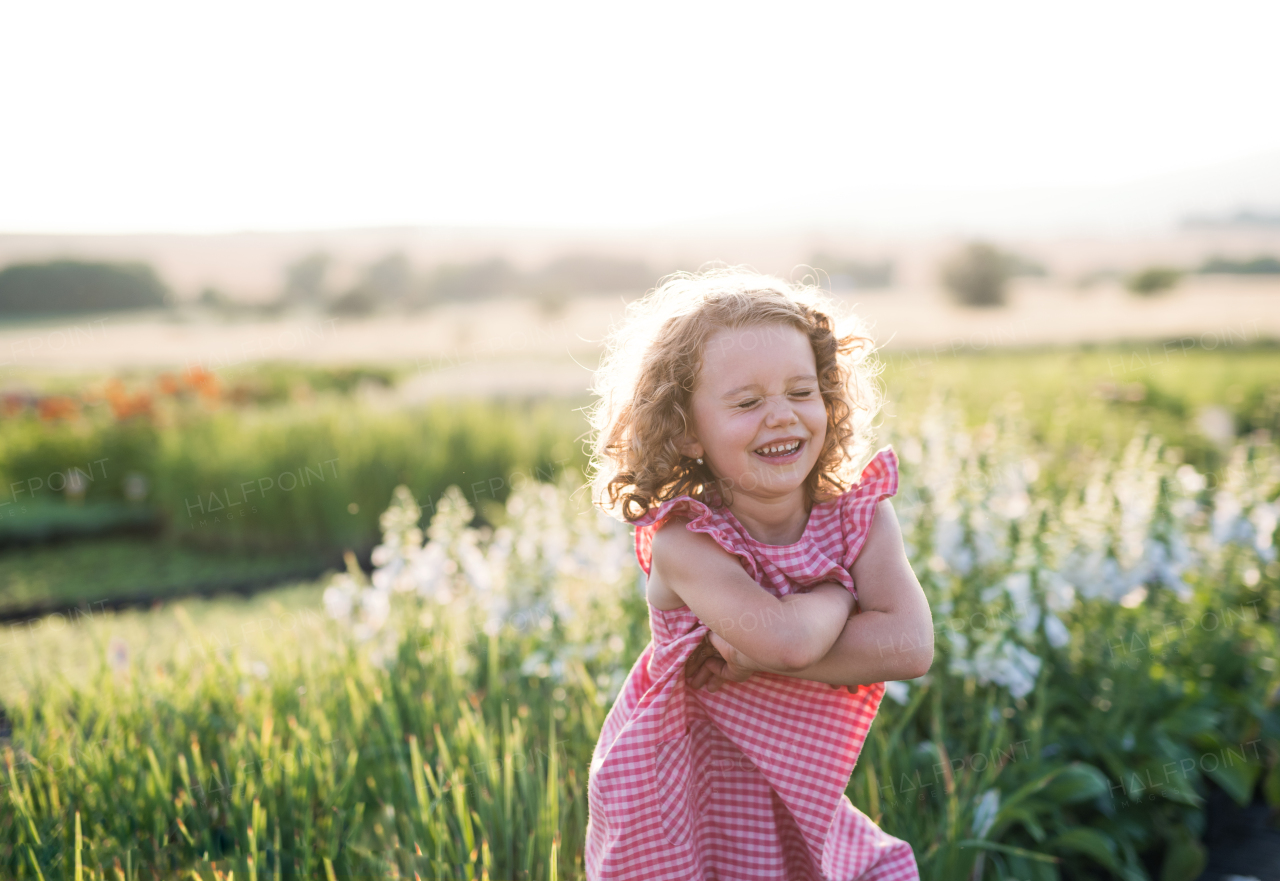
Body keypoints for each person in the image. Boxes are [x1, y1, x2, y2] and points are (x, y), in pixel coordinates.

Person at [583, 267, 932, 880]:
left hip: (789, 783)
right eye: (747, 403)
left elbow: (908, 645)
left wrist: (752, 657)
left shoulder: (859, 516)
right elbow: (789, 641)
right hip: (679, 796)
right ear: (687, 431)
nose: (781, 417)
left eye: (802, 392)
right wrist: (832, 595)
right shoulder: (686, 539)